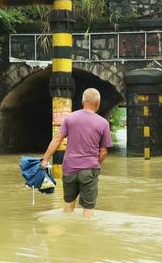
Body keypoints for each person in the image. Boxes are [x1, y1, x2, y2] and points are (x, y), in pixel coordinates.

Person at [41, 88, 113, 217]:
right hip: (89, 169)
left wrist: (45, 159)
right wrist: (95, 164)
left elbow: (57, 140)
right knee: (88, 208)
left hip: (69, 169)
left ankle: (67, 232)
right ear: (98, 103)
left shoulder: (70, 118)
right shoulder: (103, 123)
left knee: (68, 204)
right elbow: (103, 151)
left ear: (82, 101)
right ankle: (84, 234)